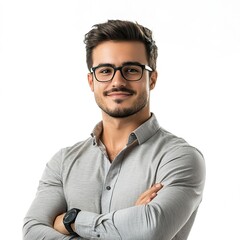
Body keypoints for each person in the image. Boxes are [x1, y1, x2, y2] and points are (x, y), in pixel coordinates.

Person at [23, 19, 205, 240]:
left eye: (131, 70)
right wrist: (128, 224)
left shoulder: (178, 157)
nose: (117, 81)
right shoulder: (63, 163)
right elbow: (33, 232)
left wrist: (71, 220)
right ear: (91, 81)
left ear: (152, 79)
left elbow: (150, 230)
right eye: (106, 70)